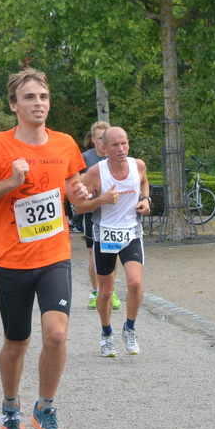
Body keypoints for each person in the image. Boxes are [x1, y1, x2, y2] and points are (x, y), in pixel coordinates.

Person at [0, 69, 91, 429]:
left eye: (44, 97)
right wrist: (11, 183)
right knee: (16, 343)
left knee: (56, 334)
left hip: (54, 256)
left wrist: (81, 191)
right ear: (14, 105)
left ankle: (46, 407)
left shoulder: (65, 144)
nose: (39, 103)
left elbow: (75, 192)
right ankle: (9, 407)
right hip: (13, 262)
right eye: (31, 97)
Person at [78, 126, 149, 356]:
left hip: (131, 233)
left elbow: (144, 182)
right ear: (104, 148)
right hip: (105, 235)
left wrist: (145, 200)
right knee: (106, 292)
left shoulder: (137, 165)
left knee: (135, 283)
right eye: (115, 145)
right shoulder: (95, 172)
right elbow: (79, 206)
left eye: (124, 143)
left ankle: (129, 328)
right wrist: (102, 199)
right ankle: (106, 333)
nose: (121, 149)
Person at [79, 122, 115, 311]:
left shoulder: (115, 156)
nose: (103, 142)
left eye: (105, 138)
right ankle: (95, 292)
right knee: (93, 254)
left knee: (112, 252)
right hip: (92, 213)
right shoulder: (85, 158)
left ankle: (110, 290)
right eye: (100, 138)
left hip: (112, 214)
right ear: (93, 139)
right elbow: (78, 183)